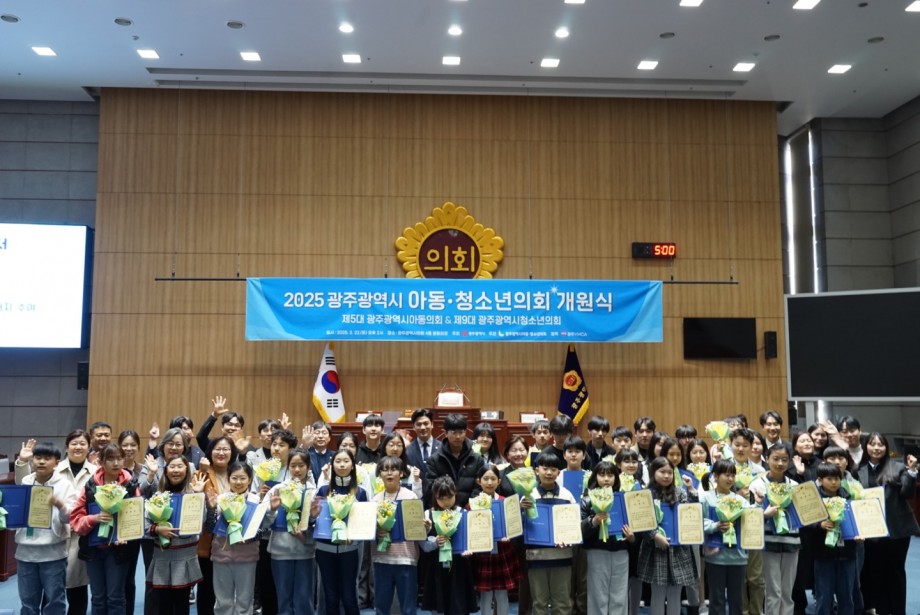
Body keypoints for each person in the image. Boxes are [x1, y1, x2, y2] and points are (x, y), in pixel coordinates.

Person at [70, 443, 141, 615]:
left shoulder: (131, 485)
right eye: (110, 459)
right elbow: (75, 519)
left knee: (115, 597)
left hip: (119, 550)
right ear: (101, 462)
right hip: (94, 549)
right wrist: (94, 518)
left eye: (119, 458)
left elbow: (137, 517)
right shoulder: (90, 485)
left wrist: (126, 534)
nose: (116, 463)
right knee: (98, 598)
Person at [857, 433, 918, 615]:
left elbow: (908, 493)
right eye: (872, 444)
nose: (876, 448)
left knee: (896, 572)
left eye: (880, 444)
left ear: (886, 448)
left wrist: (912, 471)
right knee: (876, 572)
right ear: (866, 447)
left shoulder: (898, 467)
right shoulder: (858, 469)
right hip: (871, 529)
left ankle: (899, 611)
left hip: (897, 529)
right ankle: (882, 610)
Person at [13, 440, 76, 615]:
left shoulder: (64, 485)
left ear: (57, 462)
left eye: (47, 458)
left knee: (55, 601)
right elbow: (17, 496)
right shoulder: (26, 481)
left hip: (53, 554)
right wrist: (22, 460)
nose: (41, 462)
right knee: (28, 603)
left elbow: (69, 518)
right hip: (26, 553)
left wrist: (60, 505)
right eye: (38, 457)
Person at [147, 457, 208, 615]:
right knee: (164, 605)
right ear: (166, 471)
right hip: (162, 558)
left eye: (180, 466)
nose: (176, 470)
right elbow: (145, 524)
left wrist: (199, 495)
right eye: (172, 466)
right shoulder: (158, 495)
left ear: (187, 470)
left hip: (185, 557)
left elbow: (201, 521)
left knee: (182, 605)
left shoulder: (193, 494)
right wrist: (157, 529)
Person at [637, 457, 699, 615]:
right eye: (662, 472)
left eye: (669, 472)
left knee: (675, 594)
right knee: (657, 593)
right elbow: (641, 521)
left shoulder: (680, 492)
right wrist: (654, 535)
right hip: (655, 549)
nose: (666, 476)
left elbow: (691, 514)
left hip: (678, 550)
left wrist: (691, 489)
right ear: (653, 472)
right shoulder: (646, 494)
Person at [521, 451, 579, 615]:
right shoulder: (528, 496)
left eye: (553, 469)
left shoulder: (567, 495)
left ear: (559, 473)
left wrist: (569, 538)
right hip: (536, 557)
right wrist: (520, 510)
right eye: (545, 468)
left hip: (562, 556)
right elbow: (519, 526)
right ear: (536, 470)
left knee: (562, 603)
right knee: (539, 603)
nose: (549, 473)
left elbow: (574, 525)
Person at [313, 448, 368, 615]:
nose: (342, 465)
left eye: (346, 461)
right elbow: (314, 521)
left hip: (349, 550)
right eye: (338, 461)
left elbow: (364, 524)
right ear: (332, 465)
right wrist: (312, 516)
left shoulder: (360, 492)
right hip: (324, 549)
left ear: (353, 465)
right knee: (330, 597)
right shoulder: (323, 490)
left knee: (349, 596)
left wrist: (354, 536)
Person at [264, 448, 317, 615]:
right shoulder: (277, 490)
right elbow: (263, 524)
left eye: (301, 465)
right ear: (288, 466)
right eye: (293, 465)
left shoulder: (313, 492)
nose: (297, 470)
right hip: (280, 551)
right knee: (283, 599)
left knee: (304, 599)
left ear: (308, 467)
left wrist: (312, 521)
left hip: (305, 552)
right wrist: (272, 510)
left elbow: (318, 525)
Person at [750, 443, 800, 615]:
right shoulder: (757, 484)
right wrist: (764, 514)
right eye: (776, 459)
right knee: (773, 591)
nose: (780, 463)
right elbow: (750, 516)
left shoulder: (795, 485)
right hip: (768, 542)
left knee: (787, 591)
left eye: (784, 460)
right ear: (767, 459)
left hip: (792, 541)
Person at [580, 460, 633, 615]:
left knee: (619, 595)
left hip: (621, 551)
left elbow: (635, 527)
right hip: (596, 552)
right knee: (598, 595)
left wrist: (632, 537)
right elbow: (579, 530)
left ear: (616, 477)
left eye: (610, 475)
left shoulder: (624, 499)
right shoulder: (587, 500)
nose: (606, 479)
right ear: (595, 477)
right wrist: (593, 521)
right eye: (602, 475)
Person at [421, 476, 478, 615]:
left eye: (449, 497)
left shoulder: (463, 513)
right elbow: (424, 546)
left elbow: (471, 540)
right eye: (441, 498)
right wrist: (434, 541)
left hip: (459, 567)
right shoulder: (428, 515)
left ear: (455, 493)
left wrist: (469, 550)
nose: (446, 502)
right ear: (435, 496)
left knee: (459, 606)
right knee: (438, 606)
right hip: (436, 567)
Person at [209, 461, 261, 615]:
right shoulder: (220, 499)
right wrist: (211, 508)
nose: (238, 482)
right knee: (223, 601)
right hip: (221, 556)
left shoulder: (255, 500)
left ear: (250, 480)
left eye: (243, 478)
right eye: (234, 478)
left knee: (245, 601)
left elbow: (261, 530)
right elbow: (210, 527)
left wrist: (249, 536)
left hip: (247, 557)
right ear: (228, 479)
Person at [468, 464, 520, 615]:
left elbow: (513, 526)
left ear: (499, 481)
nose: (489, 482)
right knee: (485, 594)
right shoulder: (472, 504)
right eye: (485, 479)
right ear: (479, 481)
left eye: (493, 479)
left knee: (502, 594)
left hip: (503, 551)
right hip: (483, 553)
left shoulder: (505, 502)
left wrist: (509, 535)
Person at [55, 429, 98, 615]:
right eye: (74, 443)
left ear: (89, 447)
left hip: (82, 536)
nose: (78, 447)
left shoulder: (96, 472)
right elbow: (28, 485)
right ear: (66, 447)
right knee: (51, 588)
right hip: (56, 533)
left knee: (78, 588)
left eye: (82, 443)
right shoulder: (54, 469)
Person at [372, 455, 421, 615]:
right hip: (381, 559)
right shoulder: (374, 500)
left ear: (401, 473)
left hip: (406, 558)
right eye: (385, 469)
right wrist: (376, 532)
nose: (389, 473)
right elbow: (368, 531)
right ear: (379, 474)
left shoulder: (411, 497)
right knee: (381, 606)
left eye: (393, 469)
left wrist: (424, 526)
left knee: (408, 606)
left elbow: (418, 529)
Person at [809, 463, 858, 615]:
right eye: (829, 479)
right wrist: (819, 525)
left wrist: (858, 533)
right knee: (824, 596)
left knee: (846, 596)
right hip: (823, 555)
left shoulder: (849, 497)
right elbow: (805, 523)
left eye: (837, 478)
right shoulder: (814, 500)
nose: (834, 482)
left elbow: (856, 521)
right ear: (820, 480)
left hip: (847, 553)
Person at [197, 436, 239, 615]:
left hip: (233, 540)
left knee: (229, 589)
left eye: (226, 449)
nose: (221, 453)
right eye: (217, 449)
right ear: (210, 452)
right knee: (206, 588)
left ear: (232, 452)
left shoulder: (238, 474)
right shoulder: (202, 474)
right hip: (208, 540)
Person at [701, 460, 748, 615]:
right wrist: (715, 526)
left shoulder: (741, 500)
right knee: (716, 599)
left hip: (738, 557)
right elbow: (697, 522)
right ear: (715, 476)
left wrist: (759, 506)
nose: (730, 479)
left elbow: (751, 521)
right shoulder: (705, 498)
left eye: (733, 475)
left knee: (737, 600)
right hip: (715, 557)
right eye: (727, 475)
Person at [424, 413, 482, 508]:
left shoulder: (476, 458)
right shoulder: (434, 460)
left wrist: (469, 508)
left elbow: (479, 487)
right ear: (446, 433)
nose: (458, 436)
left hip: (469, 510)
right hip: (443, 511)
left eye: (461, 432)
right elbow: (431, 489)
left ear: (465, 432)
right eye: (454, 432)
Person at [406, 409, 441, 474]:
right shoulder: (407, 450)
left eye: (426, 423)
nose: (423, 427)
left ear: (432, 425)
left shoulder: (442, 448)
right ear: (413, 427)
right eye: (419, 424)